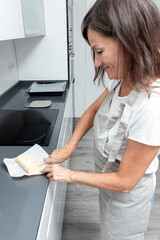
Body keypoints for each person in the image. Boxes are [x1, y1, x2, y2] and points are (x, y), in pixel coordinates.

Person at [41, 0, 160, 239]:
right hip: (108, 179)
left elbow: (126, 181)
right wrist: (69, 147)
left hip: (127, 195)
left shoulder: (152, 106)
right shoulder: (125, 77)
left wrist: (70, 175)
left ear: (129, 40)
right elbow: (93, 111)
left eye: (99, 51)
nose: (96, 63)